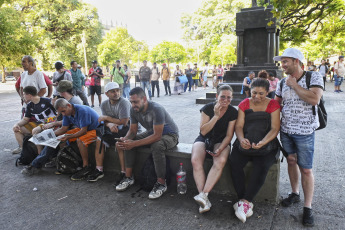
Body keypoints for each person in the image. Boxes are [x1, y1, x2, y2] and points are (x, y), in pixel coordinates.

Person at [274, 48, 324, 227]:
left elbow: (314, 99)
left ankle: (307, 207)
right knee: (291, 162)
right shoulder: (281, 82)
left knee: (306, 170)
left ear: (296, 61)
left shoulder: (314, 77)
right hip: (286, 130)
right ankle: (295, 194)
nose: (283, 65)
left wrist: (294, 85)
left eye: (285, 61)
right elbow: (277, 105)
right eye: (282, 62)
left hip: (305, 132)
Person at [230, 78, 280, 223]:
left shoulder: (273, 104)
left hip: (267, 142)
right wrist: (241, 140)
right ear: (249, 91)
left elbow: (275, 128)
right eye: (253, 93)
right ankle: (243, 202)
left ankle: (245, 201)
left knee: (262, 166)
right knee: (234, 163)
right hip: (246, 140)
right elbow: (239, 127)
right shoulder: (244, 104)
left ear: (268, 92)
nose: (257, 97)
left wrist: (263, 142)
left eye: (261, 94)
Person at [115, 87, 179, 199]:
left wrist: (133, 144)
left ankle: (161, 183)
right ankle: (128, 177)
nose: (133, 105)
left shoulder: (156, 109)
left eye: (135, 102)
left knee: (157, 146)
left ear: (144, 99)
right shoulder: (133, 109)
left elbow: (157, 136)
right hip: (151, 132)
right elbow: (133, 131)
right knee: (128, 142)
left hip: (170, 135)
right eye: (131, 102)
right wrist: (125, 140)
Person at [191, 85, 237, 213]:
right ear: (217, 96)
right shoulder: (207, 108)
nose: (225, 100)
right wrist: (216, 116)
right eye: (222, 96)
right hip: (205, 138)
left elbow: (229, 135)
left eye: (229, 97)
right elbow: (203, 131)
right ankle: (203, 197)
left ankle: (203, 196)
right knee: (195, 160)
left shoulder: (233, 112)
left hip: (221, 140)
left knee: (220, 161)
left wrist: (221, 148)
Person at [87, 82, 131, 182]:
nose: (116, 93)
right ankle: (99, 170)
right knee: (99, 139)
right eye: (113, 92)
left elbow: (124, 122)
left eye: (117, 91)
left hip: (128, 129)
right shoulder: (104, 104)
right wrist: (109, 124)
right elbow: (105, 122)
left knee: (119, 143)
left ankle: (124, 173)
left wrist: (107, 118)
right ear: (107, 94)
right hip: (113, 129)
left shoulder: (124, 102)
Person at [53, 99, 100, 180]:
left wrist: (68, 137)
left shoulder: (82, 111)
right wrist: (50, 134)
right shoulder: (67, 113)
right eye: (61, 112)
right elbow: (64, 128)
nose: (63, 114)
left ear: (69, 105)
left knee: (80, 140)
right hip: (83, 129)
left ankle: (86, 166)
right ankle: (67, 160)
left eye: (63, 111)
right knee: (62, 136)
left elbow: (83, 131)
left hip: (96, 129)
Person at [12, 86, 57, 154]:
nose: (23, 96)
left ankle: (40, 153)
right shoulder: (30, 105)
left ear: (29, 95)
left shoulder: (47, 101)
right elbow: (25, 119)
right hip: (39, 124)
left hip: (50, 122)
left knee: (35, 130)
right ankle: (24, 151)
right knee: (17, 129)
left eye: (24, 94)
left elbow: (58, 112)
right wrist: (16, 125)